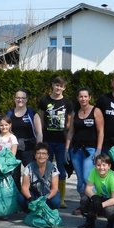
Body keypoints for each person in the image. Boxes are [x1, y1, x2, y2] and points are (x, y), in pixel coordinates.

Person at [65, 87, 104, 215]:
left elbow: (100, 131)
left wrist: (98, 149)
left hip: (91, 150)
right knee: (80, 179)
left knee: (88, 178)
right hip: (76, 150)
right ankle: (83, 204)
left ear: (90, 97)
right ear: (78, 98)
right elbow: (71, 132)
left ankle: (93, 204)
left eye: (85, 96)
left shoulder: (96, 111)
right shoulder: (75, 112)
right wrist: (67, 149)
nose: (83, 99)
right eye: (81, 96)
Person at [38, 76, 73, 208]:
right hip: (47, 141)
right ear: (52, 85)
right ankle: (45, 194)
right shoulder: (44, 101)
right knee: (46, 168)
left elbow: (69, 123)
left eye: (61, 86)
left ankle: (62, 198)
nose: (58, 88)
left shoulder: (68, 103)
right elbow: (41, 120)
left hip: (61, 142)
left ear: (64, 88)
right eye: (56, 85)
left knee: (61, 169)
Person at [6, 89, 42, 191]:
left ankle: (32, 197)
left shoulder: (32, 113)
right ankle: (16, 200)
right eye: (18, 97)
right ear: (14, 99)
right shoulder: (9, 114)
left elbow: (39, 133)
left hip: (29, 149)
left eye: (22, 98)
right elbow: (5, 131)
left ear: (26, 100)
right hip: (14, 149)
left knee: (32, 175)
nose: (20, 100)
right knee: (14, 176)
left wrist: (39, 149)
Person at [77, 153, 114, 228]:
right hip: (100, 197)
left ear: (109, 166)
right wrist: (94, 197)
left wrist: (102, 205)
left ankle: (111, 222)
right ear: (95, 166)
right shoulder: (93, 171)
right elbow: (88, 189)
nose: (101, 167)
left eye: (104, 165)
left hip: (110, 201)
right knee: (84, 199)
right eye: (98, 165)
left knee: (110, 211)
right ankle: (90, 221)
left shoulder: (112, 176)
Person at [18, 142, 61, 211]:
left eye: (44, 154)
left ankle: (48, 211)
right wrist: (31, 199)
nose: (41, 156)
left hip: (48, 194)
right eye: (38, 153)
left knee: (55, 202)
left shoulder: (53, 168)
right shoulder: (29, 168)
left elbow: (54, 188)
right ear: (35, 155)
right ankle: (30, 211)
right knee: (21, 198)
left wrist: (45, 199)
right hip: (34, 194)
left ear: (48, 156)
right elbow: (24, 188)